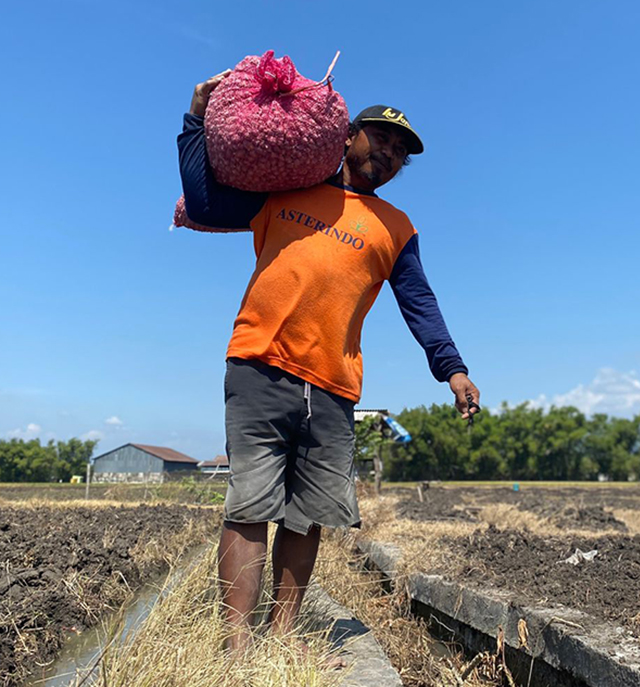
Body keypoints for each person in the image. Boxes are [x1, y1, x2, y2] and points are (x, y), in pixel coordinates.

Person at [177, 70, 481, 659]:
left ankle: (283, 638)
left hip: (335, 384)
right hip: (260, 364)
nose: (389, 154)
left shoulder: (397, 228)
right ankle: (235, 647)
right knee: (249, 506)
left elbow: (419, 302)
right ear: (346, 136)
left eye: (400, 153)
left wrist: (453, 369)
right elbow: (205, 199)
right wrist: (194, 119)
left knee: (307, 514)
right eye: (380, 139)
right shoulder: (287, 187)